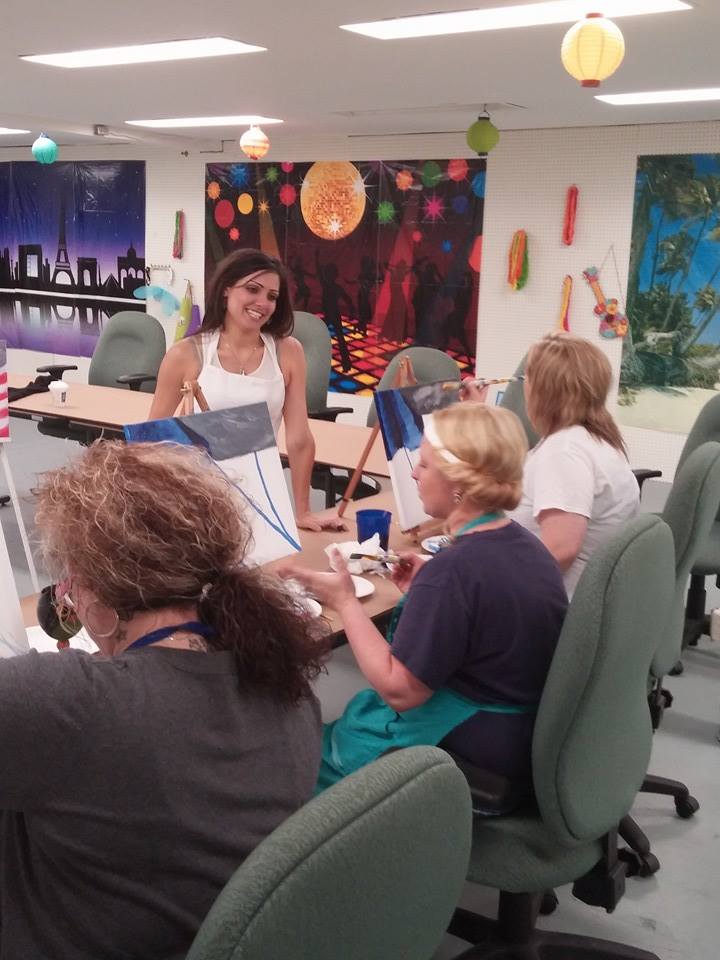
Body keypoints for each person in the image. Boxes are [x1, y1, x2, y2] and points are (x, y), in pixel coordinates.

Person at [1, 441, 327, 960]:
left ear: (97, 592)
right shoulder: (281, 679)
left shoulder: (68, 703)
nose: (67, 597)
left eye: (70, 583)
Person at [282, 403, 567, 794]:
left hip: (471, 750)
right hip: (519, 733)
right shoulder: (525, 546)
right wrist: (426, 595)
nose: (414, 473)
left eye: (426, 465)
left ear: (459, 483)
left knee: (291, 766)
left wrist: (345, 602)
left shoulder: (453, 572)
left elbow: (399, 690)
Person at [149, 248, 345, 531]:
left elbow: (299, 438)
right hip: (198, 500)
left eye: (272, 296)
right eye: (252, 289)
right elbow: (152, 440)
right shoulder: (186, 354)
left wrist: (303, 512)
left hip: (260, 496)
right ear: (226, 289)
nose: (262, 303)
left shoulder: (288, 352)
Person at [508, 333, 640, 598]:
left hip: (549, 603)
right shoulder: (592, 438)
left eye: (527, 378)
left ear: (545, 391)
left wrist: (489, 581)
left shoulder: (564, 452)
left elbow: (560, 550)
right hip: (581, 596)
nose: (524, 387)